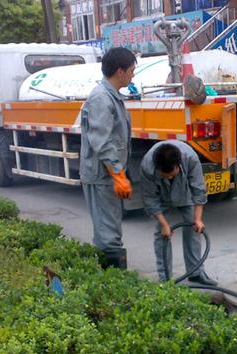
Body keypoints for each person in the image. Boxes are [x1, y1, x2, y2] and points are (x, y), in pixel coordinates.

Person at [80, 47, 136, 269]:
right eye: (131, 70)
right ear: (120, 72)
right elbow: (102, 142)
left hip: (106, 175)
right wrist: (119, 175)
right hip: (101, 176)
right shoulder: (102, 99)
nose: (133, 74)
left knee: (109, 229)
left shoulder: (112, 96)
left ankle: (109, 281)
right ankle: (112, 284)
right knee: (108, 233)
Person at [140, 140, 217, 285]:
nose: (169, 177)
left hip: (183, 190)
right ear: (157, 168)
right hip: (161, 194)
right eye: (165, 175)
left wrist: (198, 219)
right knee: (162, 234)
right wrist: (164, 224)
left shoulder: (190, 159)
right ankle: (165, 278)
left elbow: (198, 190)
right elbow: (150, 198)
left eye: (171, 174)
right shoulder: (147, 166)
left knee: (194, 228)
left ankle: (196, 273)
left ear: (178, 165)